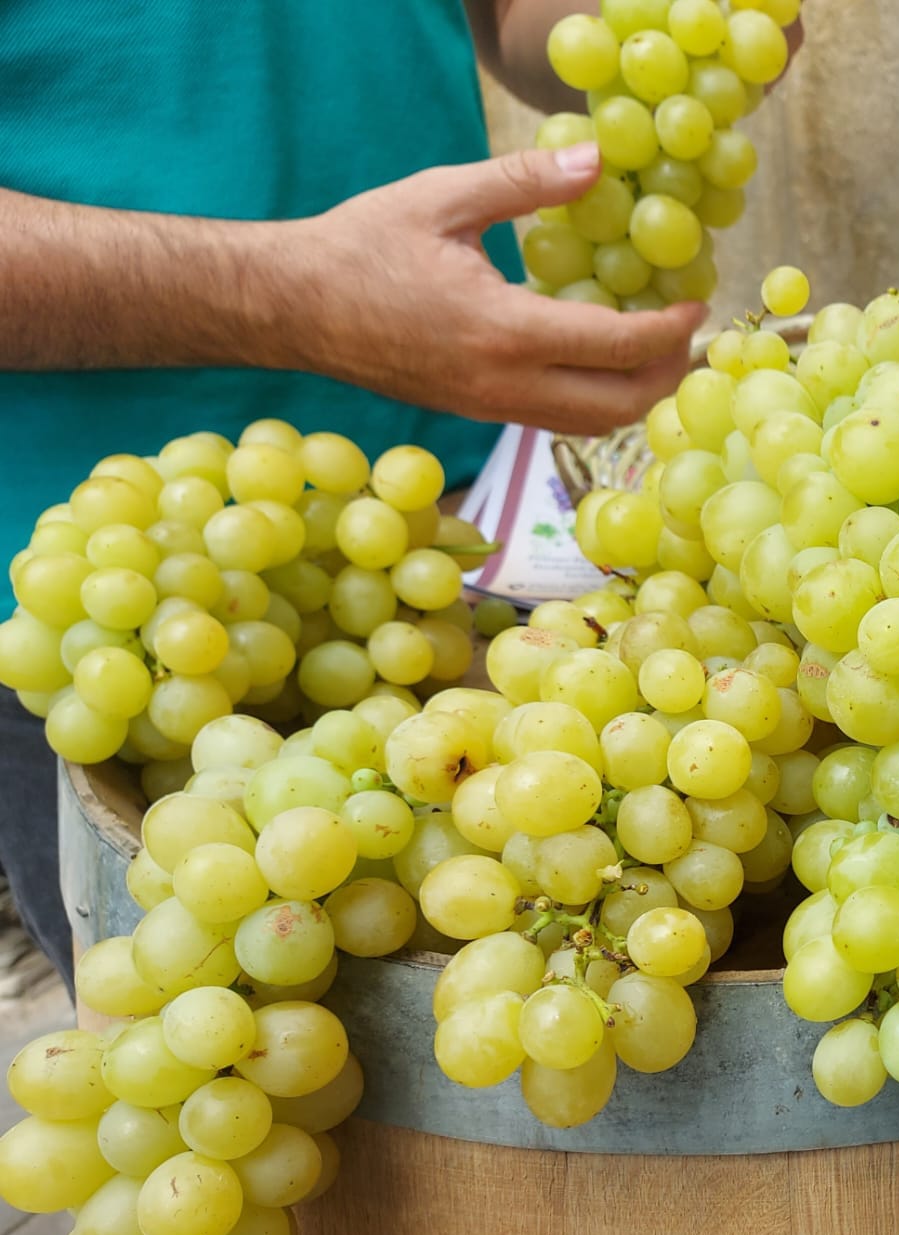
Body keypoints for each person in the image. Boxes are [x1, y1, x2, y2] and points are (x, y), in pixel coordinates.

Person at [0, 0, 795, 983]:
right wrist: (283, 297)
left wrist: (652, 30)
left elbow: (518, 26)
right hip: (120, 619)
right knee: (231, 1045)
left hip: (474, 544)